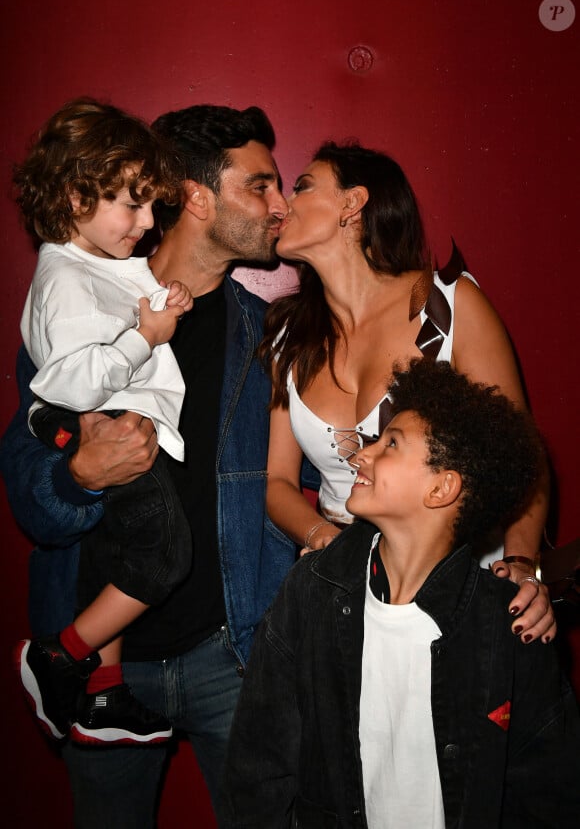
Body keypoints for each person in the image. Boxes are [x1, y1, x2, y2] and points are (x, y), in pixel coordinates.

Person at [0, 104, 294, 828]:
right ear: (196, 197)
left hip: (229, 657)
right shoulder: (76, 313)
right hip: (104, 666)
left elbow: (294, 492)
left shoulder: (268, 340)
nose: (279, 206)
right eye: (260, 186)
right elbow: (29, 500)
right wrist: (79, 475)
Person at [219, 358, 580, 828]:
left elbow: (549, 792)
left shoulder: (506, 624)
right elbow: (257, 765)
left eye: (391, 444)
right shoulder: (311, 594)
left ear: (442, 488)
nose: (359, 455)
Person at [260, 140, 554, 643]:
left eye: (303, 186)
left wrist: (522, 563)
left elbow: (521, 458)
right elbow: (279, 484)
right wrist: (331, 545)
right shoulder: (291, 336)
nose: (284, 203)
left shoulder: (450, 306)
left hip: (457, 582)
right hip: (347, 591)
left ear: (353, 204)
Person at [13, 97, 194, 748]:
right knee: (165, 554)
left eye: (152, 206)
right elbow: (68, 377)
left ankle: (102, 689)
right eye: (131, 202)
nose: (147, 222)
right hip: (102, 427)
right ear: (73, 195)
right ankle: (59, 655)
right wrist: (144, 338)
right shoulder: (63, 277)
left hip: (124, 423)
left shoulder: (94, 266)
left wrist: (158, 305)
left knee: (122, 556)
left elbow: (116, 321)